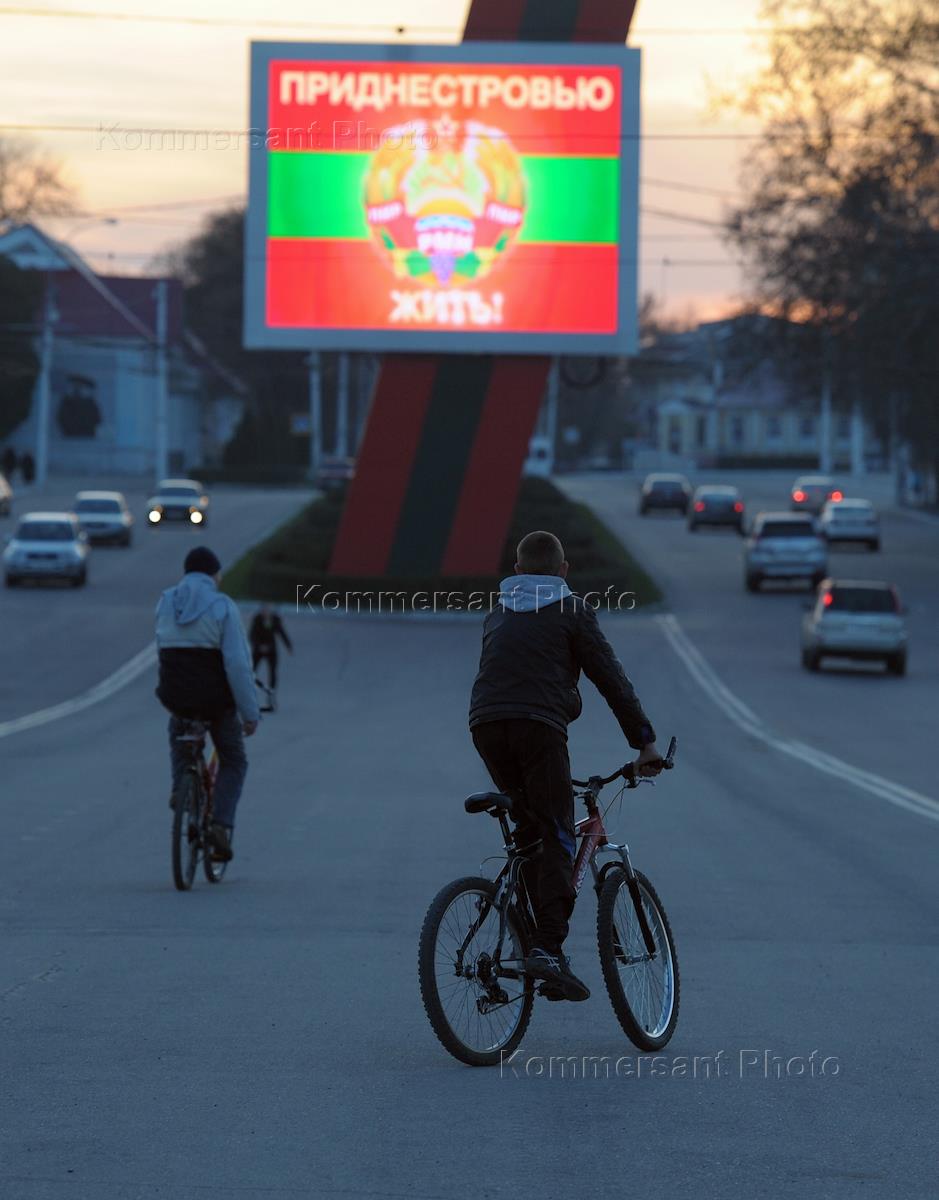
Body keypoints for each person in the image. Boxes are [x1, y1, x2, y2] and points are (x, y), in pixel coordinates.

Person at [469, 530, 663, 1003]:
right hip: (538, 727)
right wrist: (645, 743)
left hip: (485, 725)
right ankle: (548, 951)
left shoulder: (498, 610)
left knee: (532, 832)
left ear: (517, 571)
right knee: (558, 832)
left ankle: (537, 941)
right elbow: (610, 678)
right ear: (564, 571)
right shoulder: (572, 609)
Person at [155, 546, 260, 862]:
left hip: (176, 697)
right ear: (214, 575)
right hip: (216, 703)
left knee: (179, 731)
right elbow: (238, 666)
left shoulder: (166, 601)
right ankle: (220, 824)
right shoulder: (222, 606)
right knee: (234, 759)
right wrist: (250, 714)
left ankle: (180, 788)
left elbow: (162, 650)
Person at [249, 604, 292, 691]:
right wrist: (259, 646)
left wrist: (288, 646)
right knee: (251, 670)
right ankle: (249, 687)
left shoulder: (275, 619)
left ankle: (271, 691)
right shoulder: (257, 619)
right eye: (264, 610)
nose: (267, 613)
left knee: (272, 671)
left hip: (271, 649)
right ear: (261, 611)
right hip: (259, 648)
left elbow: (281, 633)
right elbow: (252, 635)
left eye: (269, 610)